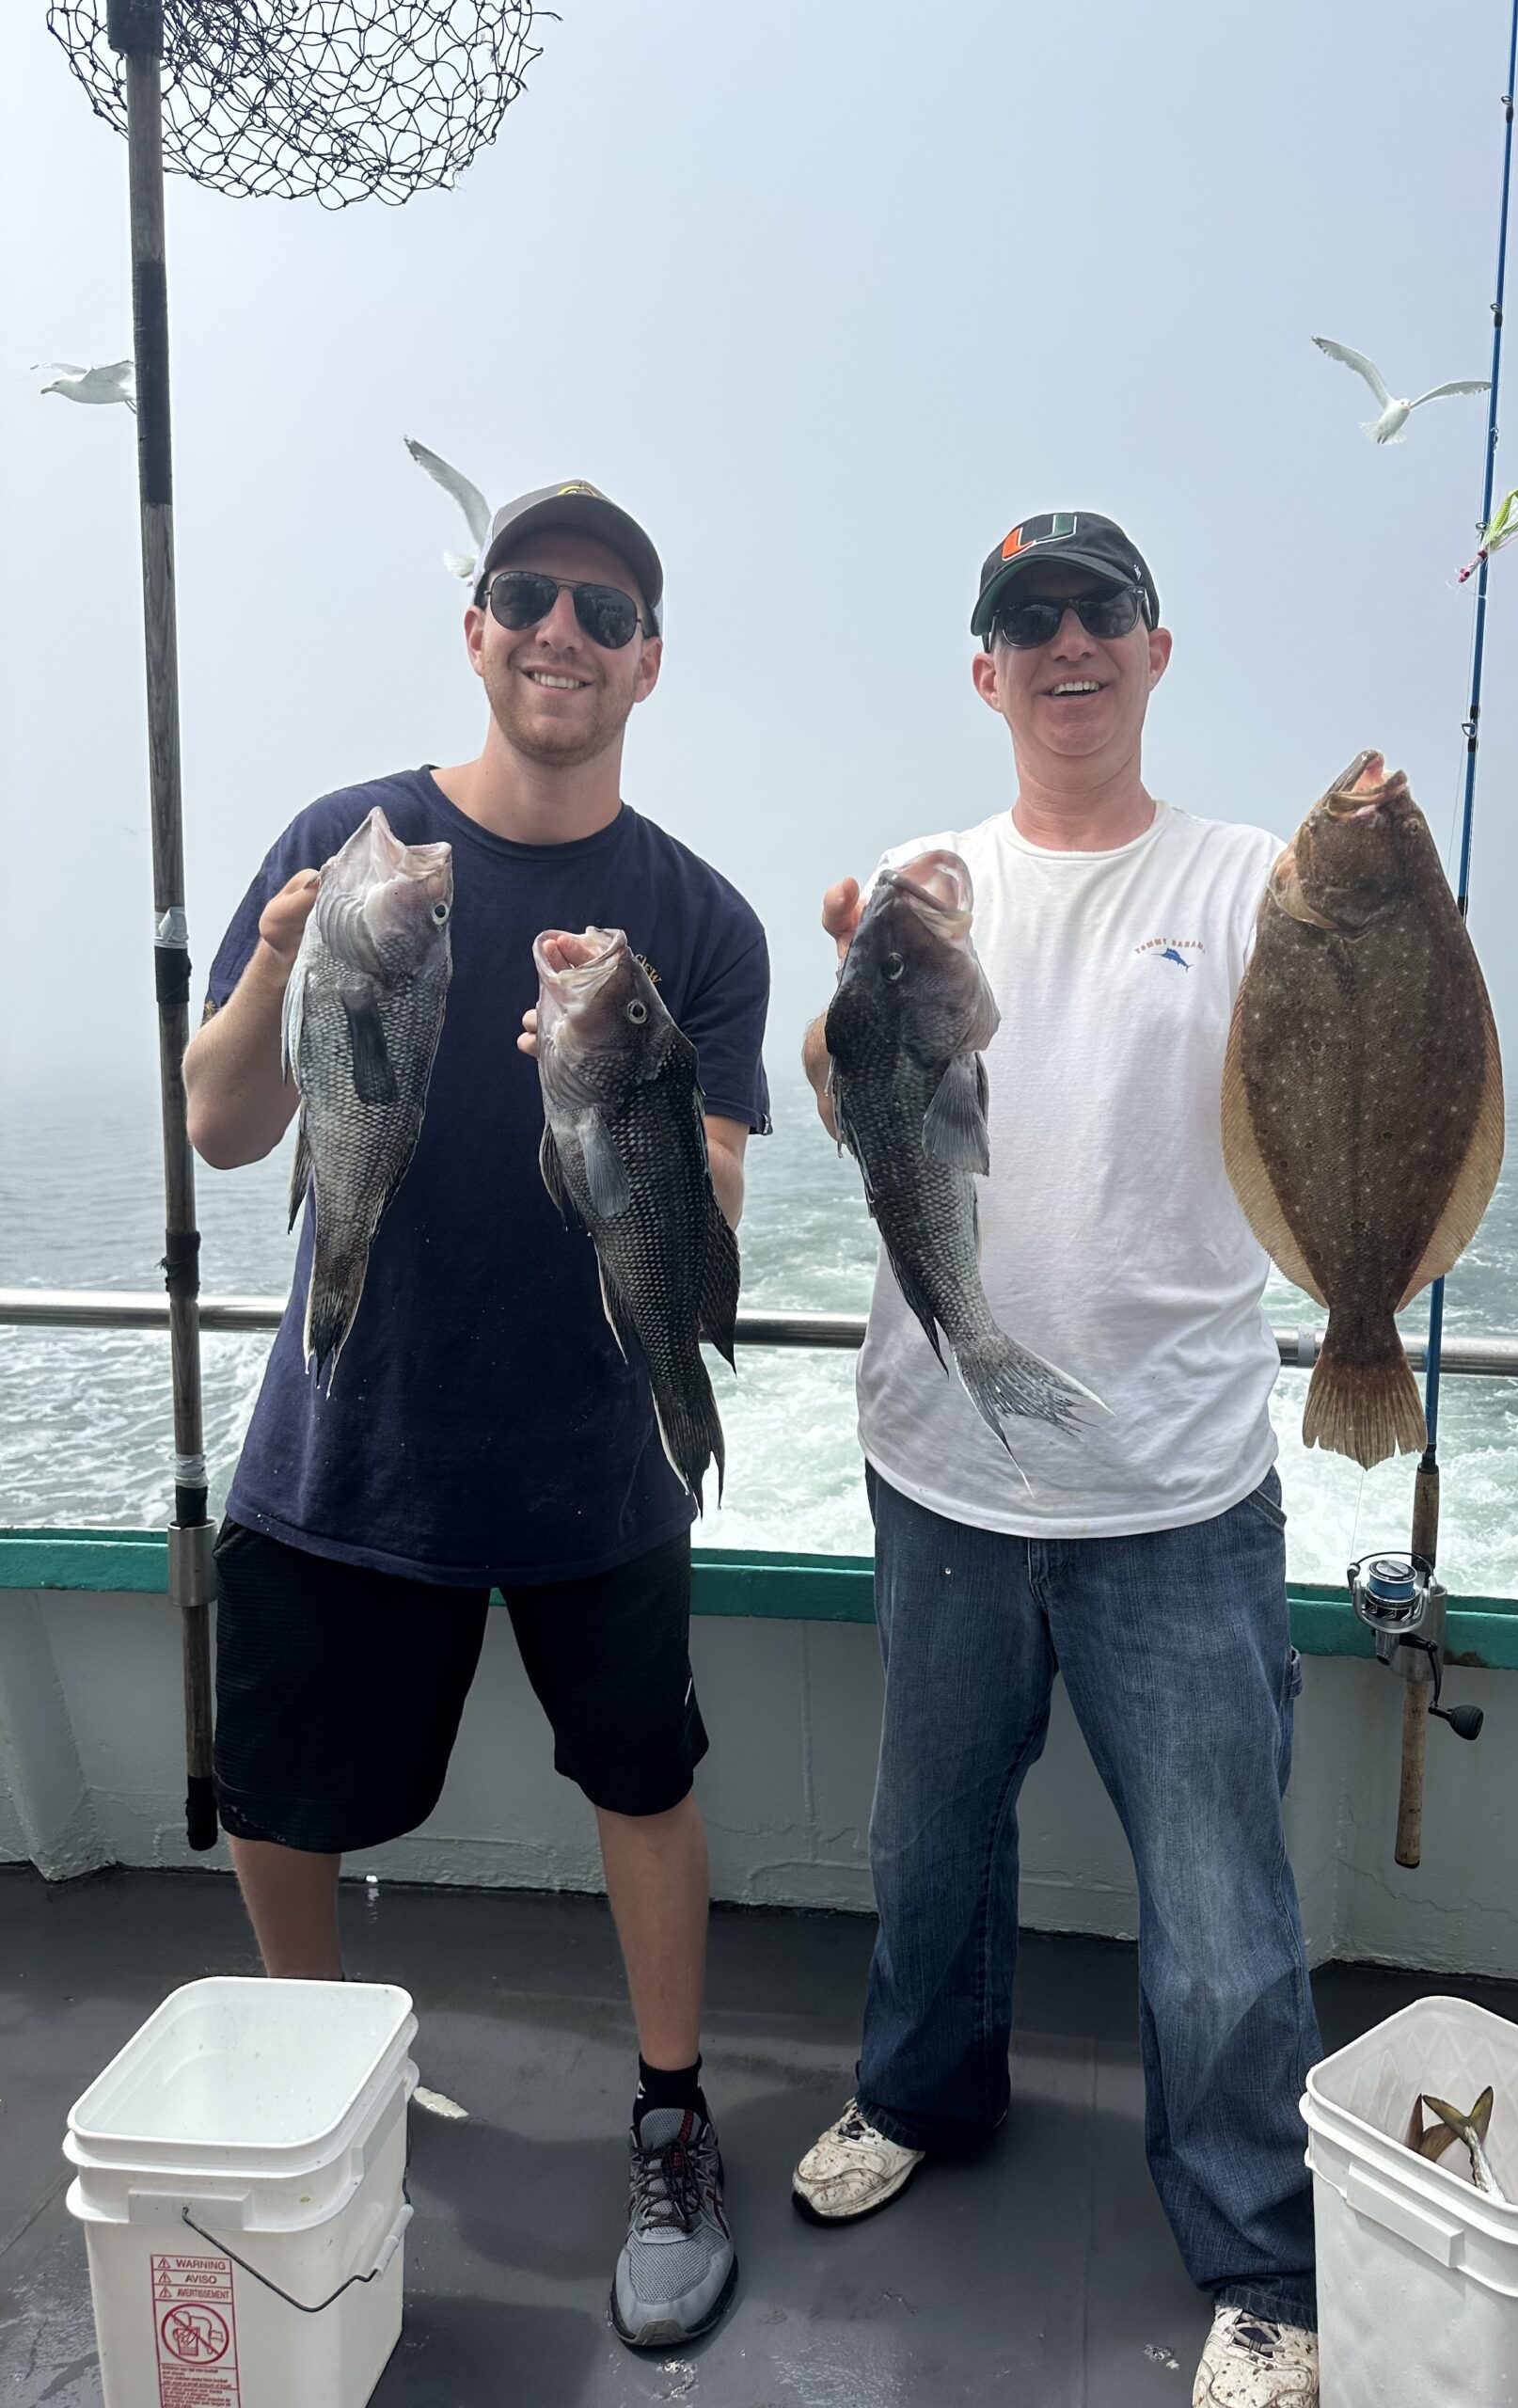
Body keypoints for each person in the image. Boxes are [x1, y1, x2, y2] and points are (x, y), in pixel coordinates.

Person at [184, 481, 768, 2352]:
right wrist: (277, 959)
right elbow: (223, 1126)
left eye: (605, 612)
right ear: (477, 628)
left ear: (649, 662)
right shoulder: (347, 846)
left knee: (644, 1782)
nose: (561, 633)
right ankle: (318, 2079)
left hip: (595, 1456)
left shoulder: (700, 918)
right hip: (348, 1432)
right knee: (282, 1795)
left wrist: (623, 1086)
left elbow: (715, 1203)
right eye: (528, 595)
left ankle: (670, 2121)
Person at [796, 512, 1322, 2407]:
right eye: (1030, 618)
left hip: (1177, 1484)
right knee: (928, 1839)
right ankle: (918, 2089)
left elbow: (1347, 1055)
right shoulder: (925, 883)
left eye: (1102, 610)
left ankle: (1264, 2255)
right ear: (987, 669)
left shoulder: (1255, 880)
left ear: (1157, 649)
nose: (1068, 640)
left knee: (1221, 1904)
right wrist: (841, 1013)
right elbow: (846, 1095)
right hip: (941, 1462)